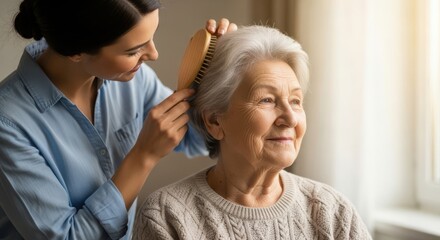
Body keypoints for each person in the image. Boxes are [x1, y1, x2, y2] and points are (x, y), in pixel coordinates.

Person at [0, 0, 237, 239]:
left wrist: (217, 71)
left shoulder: (135, 79)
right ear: (76, 51)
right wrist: (144, 156)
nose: (154, 54)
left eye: (152, 37)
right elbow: (68, 236)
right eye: (133, 51)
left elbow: (199, 139)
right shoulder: (8, 123)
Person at [133, 25, 372, 240]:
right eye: (267, 100)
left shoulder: (332, 211)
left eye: (296, 101)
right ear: (215, 121)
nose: (290, 118)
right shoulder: (167, 216)